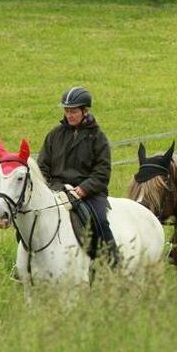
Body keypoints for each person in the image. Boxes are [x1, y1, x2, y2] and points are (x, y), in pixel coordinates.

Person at [37, 86, 118, 266]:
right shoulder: (54, 135)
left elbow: (102, 171)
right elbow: (42, 166)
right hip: (56, 189)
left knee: (100, 220)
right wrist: (48, 187)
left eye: (73, 111)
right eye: (67, 111)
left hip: (88, 193)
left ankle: (111, 260)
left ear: (84, 111)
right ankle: (24, 264)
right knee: (31, 218)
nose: (69, 115)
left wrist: (83, 189)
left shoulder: (98, 137)